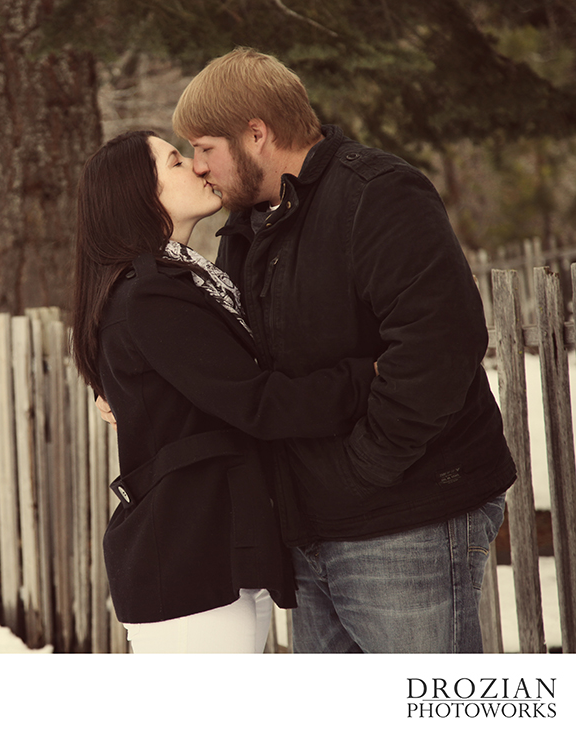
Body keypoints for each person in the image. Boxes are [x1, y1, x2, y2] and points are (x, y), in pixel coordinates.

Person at [163, 47, 516, 653]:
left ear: (256, 133)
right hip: (312, 527)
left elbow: (439, 346)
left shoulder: (377, 194)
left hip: (407, 521)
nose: (199, 168)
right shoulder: (248, 229)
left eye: (204, 148)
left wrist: (365, 471)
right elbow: (244, 370)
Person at [72, 129, 377, 653]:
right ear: (139, 195)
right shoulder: (149, 294)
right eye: (173, 161)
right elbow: (256, 403)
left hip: (219, 554)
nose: (194, 165)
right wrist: (370, 374)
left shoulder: (190, 278)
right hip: (189, 563)